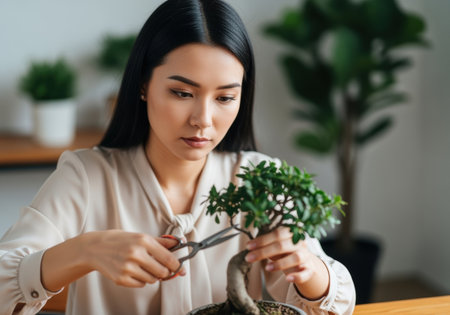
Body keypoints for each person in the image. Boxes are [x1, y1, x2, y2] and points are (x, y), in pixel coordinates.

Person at [0, 0, 356, 314]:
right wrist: (85, 251)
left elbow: (334, 305)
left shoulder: (260, 179)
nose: (202, 119)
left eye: (225, 98)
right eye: (182, 92)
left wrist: (310, 271)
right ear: (143, 85)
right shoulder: (86, 177)